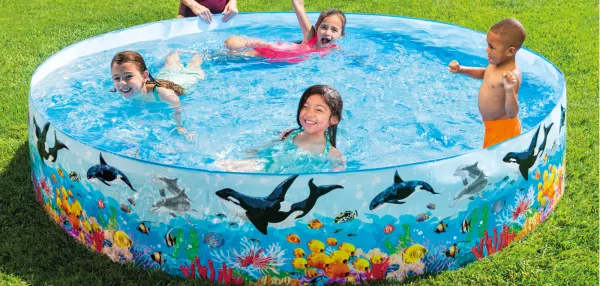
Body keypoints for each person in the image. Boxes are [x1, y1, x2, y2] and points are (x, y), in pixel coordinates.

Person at [214, 84, 346, 173]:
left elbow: (338, 178)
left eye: (318, 110)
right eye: (305, 107)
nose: (309, 114)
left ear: (333, 119)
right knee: (219, 166)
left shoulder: (333, 154)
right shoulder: (291, 134)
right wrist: (255, 150)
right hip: (264, 166)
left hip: (287, 182)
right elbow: (272, 145)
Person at [448, 18, 526, 148]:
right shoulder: (495, 65)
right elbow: (486, 74)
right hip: (492, 127)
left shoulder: (512, 76)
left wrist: (508, 90)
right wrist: (462, 69)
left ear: (510, 51)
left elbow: (512, 113)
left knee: (495, 166)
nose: (486, 50)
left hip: (504, 132)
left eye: (492, 47)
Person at [110, 50, 205, 142]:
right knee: (170, 63)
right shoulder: (129, 88)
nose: (122, 83)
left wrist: (179, 126)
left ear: (144, 76)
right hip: (166, 76)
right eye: (117, 78)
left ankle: (197, 53)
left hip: (187, 79)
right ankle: (176, 51)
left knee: (194, 65)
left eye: (128, 76)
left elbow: (176, 105)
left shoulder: (163, 94)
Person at [223, 0, 345, 62]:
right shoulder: (311, 37)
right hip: (270, 49)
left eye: (334, 30)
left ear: (341, 35)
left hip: (272, 59)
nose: (327, 32)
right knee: (230, 43)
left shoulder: (335, 49)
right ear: (317, 27)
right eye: (324, 27)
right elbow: (298, 4)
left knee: (228, 57)